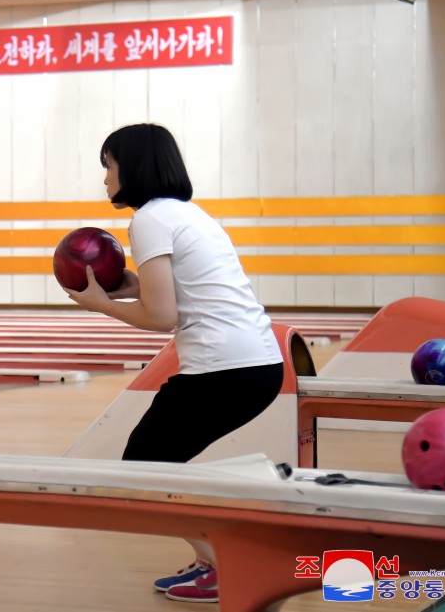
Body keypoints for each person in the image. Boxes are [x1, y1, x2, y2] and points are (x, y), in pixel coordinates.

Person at [63, 123, 284, 604]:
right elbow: (189, 291)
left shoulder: (148, 220)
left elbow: (163, 317)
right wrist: (133, 286)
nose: (104, 179)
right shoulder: (187, 214)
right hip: (256, 364)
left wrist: (101, 304)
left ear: (133, 167)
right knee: (159, 463)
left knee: (145, 469)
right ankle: (221, 556)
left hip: (226, 370)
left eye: (109, 166)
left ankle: (226, 566)